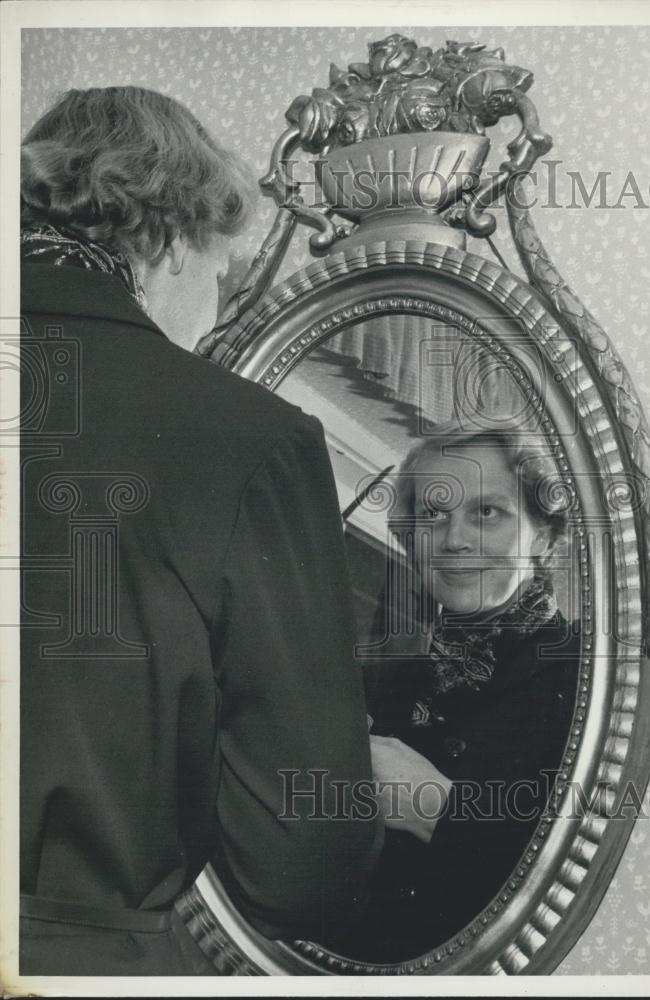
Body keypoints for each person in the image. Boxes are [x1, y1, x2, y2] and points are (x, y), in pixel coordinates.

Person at [19, 86, 381, 976]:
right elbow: (303, 863)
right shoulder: (249, 440)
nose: (216, 312)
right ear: (169, 239)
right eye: (222, 276)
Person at [336, 423, 580, 964]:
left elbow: (592, 870)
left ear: (543, 535)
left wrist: (439, 811)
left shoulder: (591, 676)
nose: (453, 540)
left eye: (487, 512)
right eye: (432, 515)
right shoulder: (390, 684)